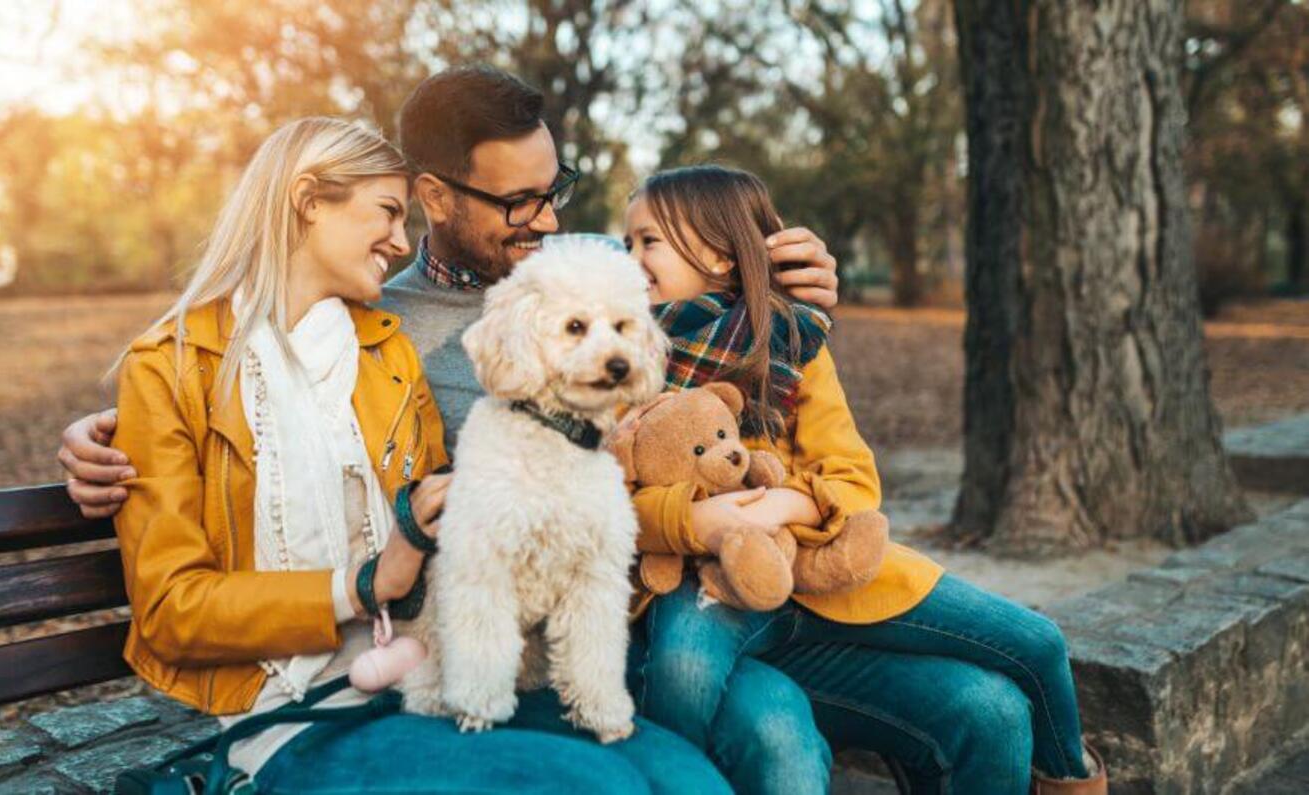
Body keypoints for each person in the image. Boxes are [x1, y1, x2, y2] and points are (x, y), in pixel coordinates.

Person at [62, 66, 842, 794]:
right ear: (310, 202)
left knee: (687, 778)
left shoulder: (389, 347)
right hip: (298, 704)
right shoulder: (201, 362)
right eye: (386, 215)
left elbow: (717, 306)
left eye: (554, 189)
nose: (551, 218)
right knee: (609, 785)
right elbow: (171, 602)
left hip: (465, 650)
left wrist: (781, 286)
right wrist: (107, 435)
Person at [622, 164, 1108, 795]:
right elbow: (608, 489)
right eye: (625, 241)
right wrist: (700, 522)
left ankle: (1073, 784)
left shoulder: (794, 344)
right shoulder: (619, 349)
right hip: (710, 591)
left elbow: (853, 482)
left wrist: (776, 507)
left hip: (824, 584)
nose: (628, 257)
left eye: (646, 241)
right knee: (685, 670)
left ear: (717, 252)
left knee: (1022, 666)